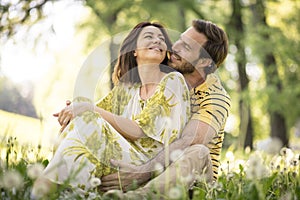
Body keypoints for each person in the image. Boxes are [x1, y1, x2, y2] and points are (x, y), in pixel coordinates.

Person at [34, 22, 191, 192]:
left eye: (161, 39)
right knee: (80, 123)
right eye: (149, 36)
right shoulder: (127, 90)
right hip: (121, 154)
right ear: (134, 50)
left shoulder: (173, 80)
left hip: (146, 166)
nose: (158, 41)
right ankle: (67, 190)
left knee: (87, 118)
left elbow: (139, 131)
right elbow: (93, 113)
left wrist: (86, 108)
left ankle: (46, 189)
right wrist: (75, 108)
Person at [99, 19, 231, 198]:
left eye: (186, 47)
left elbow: (186, 142)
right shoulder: (164, 74)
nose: (175, 47)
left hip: (190, 181)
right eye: (180, 39)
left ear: (204, 62)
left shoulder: (215, 98)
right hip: (145, 164)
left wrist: (140, 173)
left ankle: (139, 197)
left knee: (199, 152)